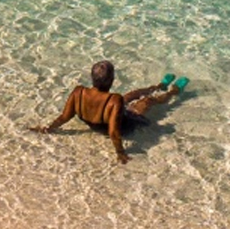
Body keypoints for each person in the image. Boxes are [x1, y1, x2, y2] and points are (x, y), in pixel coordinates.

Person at [30, 60, 181, 164]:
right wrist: (120, 153)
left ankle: (159, 86)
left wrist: (48, 128)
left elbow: (64, 117)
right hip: (125, 126)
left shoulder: (78, 92)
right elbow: (114, 132)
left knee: (130, 95)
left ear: (92, 77)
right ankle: (173, 92)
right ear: (112, 80)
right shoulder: (114, 100)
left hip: (105, 120)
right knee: (147, 102)